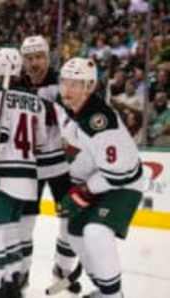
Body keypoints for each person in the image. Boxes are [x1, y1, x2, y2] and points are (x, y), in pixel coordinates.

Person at [56, 57, 143, 298]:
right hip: (95, 181)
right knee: (74, 235)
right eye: (65, 82)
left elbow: (121, 173)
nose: (68, 89)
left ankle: (114, 296)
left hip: (123, 184)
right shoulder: (71, 109)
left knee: (95, 232)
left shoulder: (99, 122)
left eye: (76, 83)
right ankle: (105, 289)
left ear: (90, 87)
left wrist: (84, 191)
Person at [0, 47, 50, 297]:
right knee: (13, 231)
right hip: (28, 178)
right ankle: (12, 283)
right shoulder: (35, 99)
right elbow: (40, 141)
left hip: (2, 176)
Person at [19, 35, 78, 294]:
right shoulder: (16, 86)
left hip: (60, 165)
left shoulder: (62, 83)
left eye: (39, 57)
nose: (34, 63)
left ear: (48, 56)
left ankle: (63, 269)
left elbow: (74, 117)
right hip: (28, 166)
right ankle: (21, 273)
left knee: (69, 219)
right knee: (25, 223)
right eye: (29, 58)